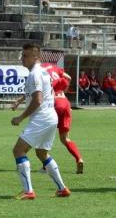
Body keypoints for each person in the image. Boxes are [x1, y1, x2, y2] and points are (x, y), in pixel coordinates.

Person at [11, 43, 71, 200]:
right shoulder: (42, 72)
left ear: (36, 57)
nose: (22, 58)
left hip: (42, 117)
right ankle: (62, 188)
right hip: (51, 116)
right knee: (42, 153)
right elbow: (37, 94)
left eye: (25, 55)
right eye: (22, 55)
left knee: (18, 150)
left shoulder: (35, 74)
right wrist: (21, 100)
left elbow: (37, 100)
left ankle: (28, 191)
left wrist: (20, 117)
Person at [42, 63, 84, 174]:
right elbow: (68, 78)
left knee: (43, 136)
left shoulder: (39, 70)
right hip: (65, 102)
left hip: (54, 103)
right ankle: (79, 158)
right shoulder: (53, 67)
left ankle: (46, 165)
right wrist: (63, 90)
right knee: (65, 139)